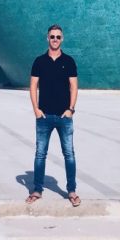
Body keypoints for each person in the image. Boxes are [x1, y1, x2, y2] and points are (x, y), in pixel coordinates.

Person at [26, 24, 80, 206]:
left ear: (62, 39)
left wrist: (71, 109)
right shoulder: (39, 61)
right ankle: (37, 190)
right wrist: (36, 109)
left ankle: (71, 191)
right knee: (40, 154)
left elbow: (74, 86)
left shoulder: (69, 61)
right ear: (47, 38)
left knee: (69, 154)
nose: (55, 40)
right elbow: (33, 85)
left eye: (58, 37)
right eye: (52, 37)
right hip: (44, 116)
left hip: (64, 117)